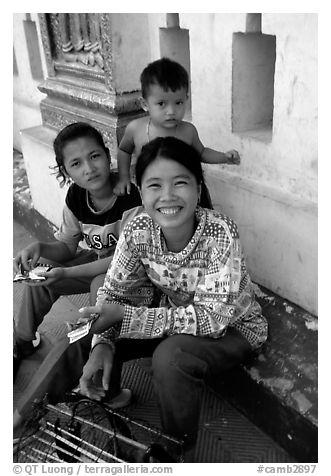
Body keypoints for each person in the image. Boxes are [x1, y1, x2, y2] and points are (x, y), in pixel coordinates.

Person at [13, 137, 267, 461]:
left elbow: (212, 319)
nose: (168, 196)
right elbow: (114, 289)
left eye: (180, 183)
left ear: (199, 189)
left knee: (170, 356)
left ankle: (175, 453)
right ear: (141, 191)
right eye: (154, 185)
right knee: (82, 333)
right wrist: (102, 342)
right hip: (171, 315)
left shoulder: (220, 232)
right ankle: (20, 422)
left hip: (232, 328)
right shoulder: (138, 229)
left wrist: (125, 319)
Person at [13, 122, 142, 379]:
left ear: (107, 155)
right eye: (76, 164)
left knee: (99, 285)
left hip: (131, 273)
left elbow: (122, 262)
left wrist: (66, 274)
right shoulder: (75, 197)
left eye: (94, 156)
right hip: (96, 261)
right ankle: (23, 341)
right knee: (42, 271)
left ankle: (104, 379)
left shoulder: (130, 196)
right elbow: (67, 247)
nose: (89, 169)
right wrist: (39, 247)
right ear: (67, 171)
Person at [114, 57, 240, 199]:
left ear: (186, 99)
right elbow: (124, 150)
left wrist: (224, 157)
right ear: (145, 104)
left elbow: (202, 153)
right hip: (152, 191)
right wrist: (123, 177)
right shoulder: (136, 129)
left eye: (178, 102)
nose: (171, 111)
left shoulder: (188, 130)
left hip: (184, 192)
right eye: (161, 103)